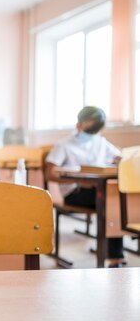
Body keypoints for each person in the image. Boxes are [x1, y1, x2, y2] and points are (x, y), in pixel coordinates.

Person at [46, 106, 123, 267]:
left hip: (98, 190)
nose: (89, 134)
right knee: (112, 202)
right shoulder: (64, 145)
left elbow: (119, 157)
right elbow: (50, 174)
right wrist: (79, 181)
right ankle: (114, 256)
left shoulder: (100, 142)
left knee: (116, 197)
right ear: (79, 124)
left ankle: (114, 251)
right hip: (75, 192)